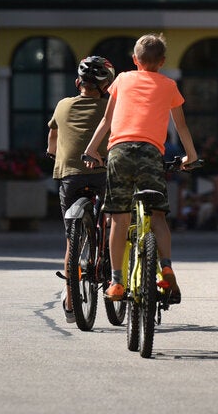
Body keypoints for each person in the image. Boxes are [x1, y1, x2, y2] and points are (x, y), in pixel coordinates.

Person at [83, 34, 198, 303]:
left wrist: (90, 150)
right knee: (157, 216)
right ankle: (166, 267)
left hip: (119, 151)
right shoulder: (169, 85)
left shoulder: (122, 79)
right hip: (151, 153)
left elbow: (107, 120)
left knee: (119, 218)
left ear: (135, 59)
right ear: (163, 62)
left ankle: (116, 282)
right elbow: (181, 126)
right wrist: (191, 156)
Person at [46, 56, 115, 322]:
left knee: (70, 239)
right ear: (105, 86)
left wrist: (53, 153)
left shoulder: (63, 105)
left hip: (70, 175)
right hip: (102, 172)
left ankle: (70, 301)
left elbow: (52, 136)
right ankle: (110, 263)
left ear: (78, 83)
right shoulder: (110, 107)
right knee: (112, 220)